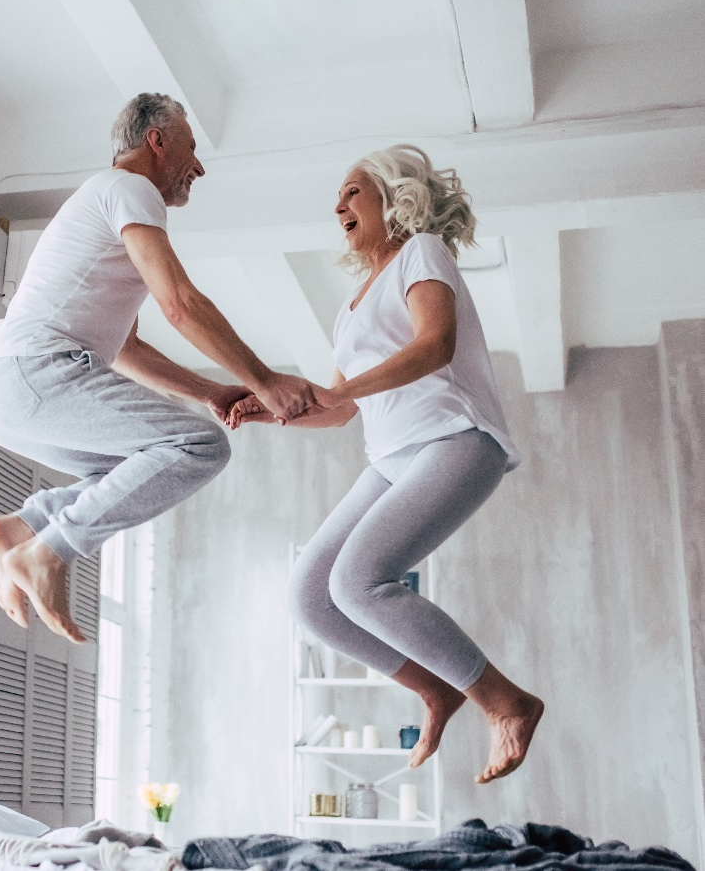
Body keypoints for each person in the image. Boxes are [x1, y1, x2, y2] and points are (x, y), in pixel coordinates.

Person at [227, 145, 543, 784]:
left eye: (351, 192)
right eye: (338, 198)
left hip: (454, 440)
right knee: (310, 595)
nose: (338, 206)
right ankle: (435, 688)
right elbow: (340, 410)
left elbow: (436, 344)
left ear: (393, 197)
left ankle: (506, 702)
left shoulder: (421, 252)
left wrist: (338, 392)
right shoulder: (349, 307)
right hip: (391, 457)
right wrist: (270, 410)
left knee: (357, 581)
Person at [0, 92, 318, 644]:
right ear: (157, 141)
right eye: (192, 149)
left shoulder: (106, 202)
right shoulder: (129, 188)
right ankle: (49, 552)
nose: (198, 167)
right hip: (33, 372)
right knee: (200, 447)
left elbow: (127, 349)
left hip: (7, 386)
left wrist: (208, 391)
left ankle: (23, 528)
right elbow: (179, 303)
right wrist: (265, 381)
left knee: (135, 469)